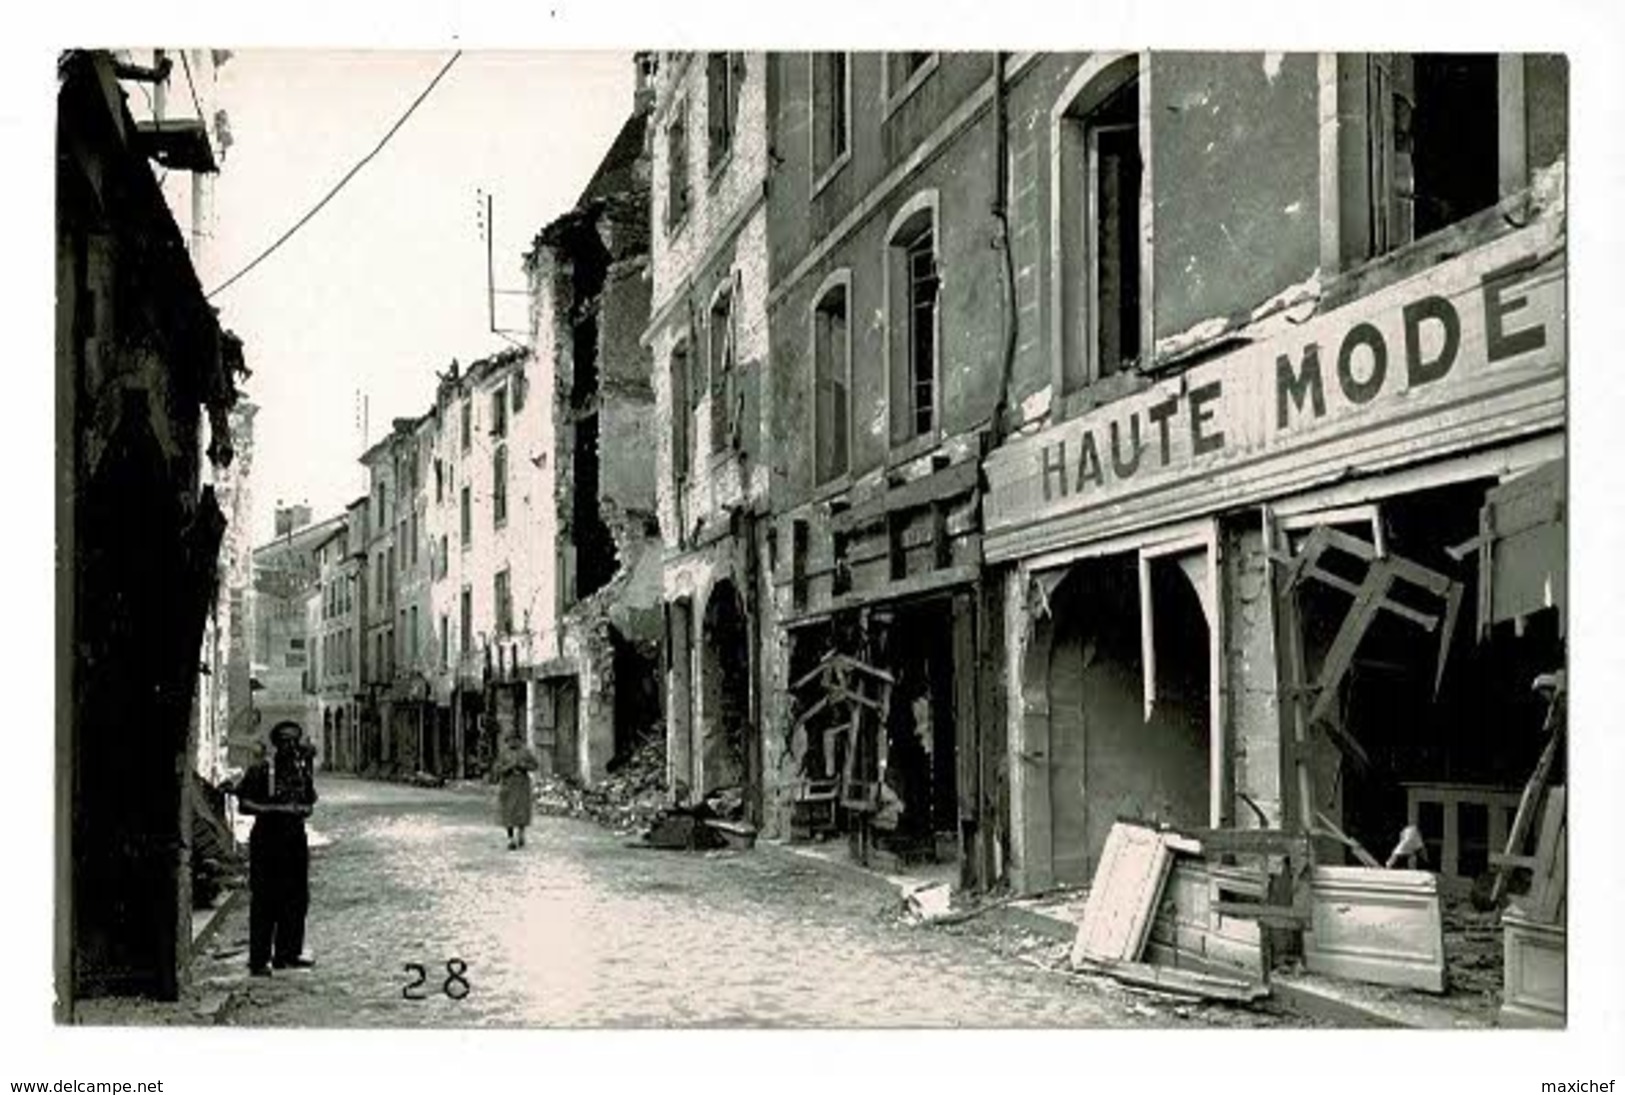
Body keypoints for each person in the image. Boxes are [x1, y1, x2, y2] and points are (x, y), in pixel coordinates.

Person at [235, 721, 318, 976]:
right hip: (267, 839)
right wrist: (277, 810)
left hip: (294, 838)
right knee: (265, 899)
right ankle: (259, 959)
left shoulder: (300, 769)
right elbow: (244, 804)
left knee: (296, 897)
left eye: (295, 740)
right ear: (276, 743)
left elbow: (308, 802)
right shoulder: (262, 769)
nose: (290, 746)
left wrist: (302, 808)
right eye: (284, 740)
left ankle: (288, 953)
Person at [496, 731, 539, 850]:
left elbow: (535, 765)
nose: (513, 742)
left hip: (522, 784)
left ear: (519, 740)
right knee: (508, 812)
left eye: (515, 740)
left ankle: (521, 833)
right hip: (508, 785)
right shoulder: (504, 754)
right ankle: (510, 838)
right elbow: (497, 769)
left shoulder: (525, 752)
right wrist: (508, 767)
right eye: (510, 740)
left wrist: (523, 765)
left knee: (521, 811)